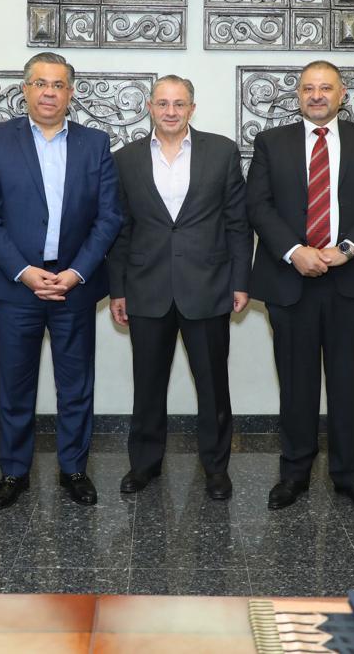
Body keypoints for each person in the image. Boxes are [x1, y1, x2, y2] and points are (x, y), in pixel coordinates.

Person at [246, 60, 354, 513]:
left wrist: (346, 249)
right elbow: (258, 205)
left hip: (352, 278)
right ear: (298, 95)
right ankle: (294, 474)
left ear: (342, 94)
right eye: (309, 88)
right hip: (290, 280)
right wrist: (296, 251)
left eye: (326, 88)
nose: (317, 95)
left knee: (348, 382)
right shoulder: (271, 142)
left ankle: (349, 476)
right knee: (296, 384)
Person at [0, 52, 121, 510]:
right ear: (25, 89)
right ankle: (14, 472)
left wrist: (75, 273)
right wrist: (24, 271)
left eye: (58, 85)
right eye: (40, 83)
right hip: (17, 284)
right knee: (16, 385)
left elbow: (108, 217)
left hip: (74, 283)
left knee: (75, 386)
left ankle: (73, 468)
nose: (49, 92)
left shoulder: (95, 143)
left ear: (71, 93)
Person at [107, 75, 252, 501]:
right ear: (149, 107)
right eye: (163, 103)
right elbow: (120, 230)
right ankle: (144, 464)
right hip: (146, 287)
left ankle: (216, 468)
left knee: (213, 386)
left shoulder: (222, 152)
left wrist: (240, 281)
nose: (171, 111)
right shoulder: (125, 159)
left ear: (192, 108)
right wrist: (118, 289)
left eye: (179, 103)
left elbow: (238, 223)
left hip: (208, 287)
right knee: (148, 384)